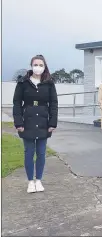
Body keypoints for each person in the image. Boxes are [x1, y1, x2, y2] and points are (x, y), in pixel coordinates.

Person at [13, 55, 58, 193]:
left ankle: (39, 180)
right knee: (29, 152)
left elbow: (54, 104)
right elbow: (16, 103)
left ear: (44, 67)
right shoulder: (23, 82)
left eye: (41, 65)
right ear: (31, 65)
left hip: (44, 121)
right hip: (27, 121)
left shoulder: (49, 83)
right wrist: (18, 122)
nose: (38, 67)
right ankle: (30, 182)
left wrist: (52, 122)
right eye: (35, 64)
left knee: (41, 153)